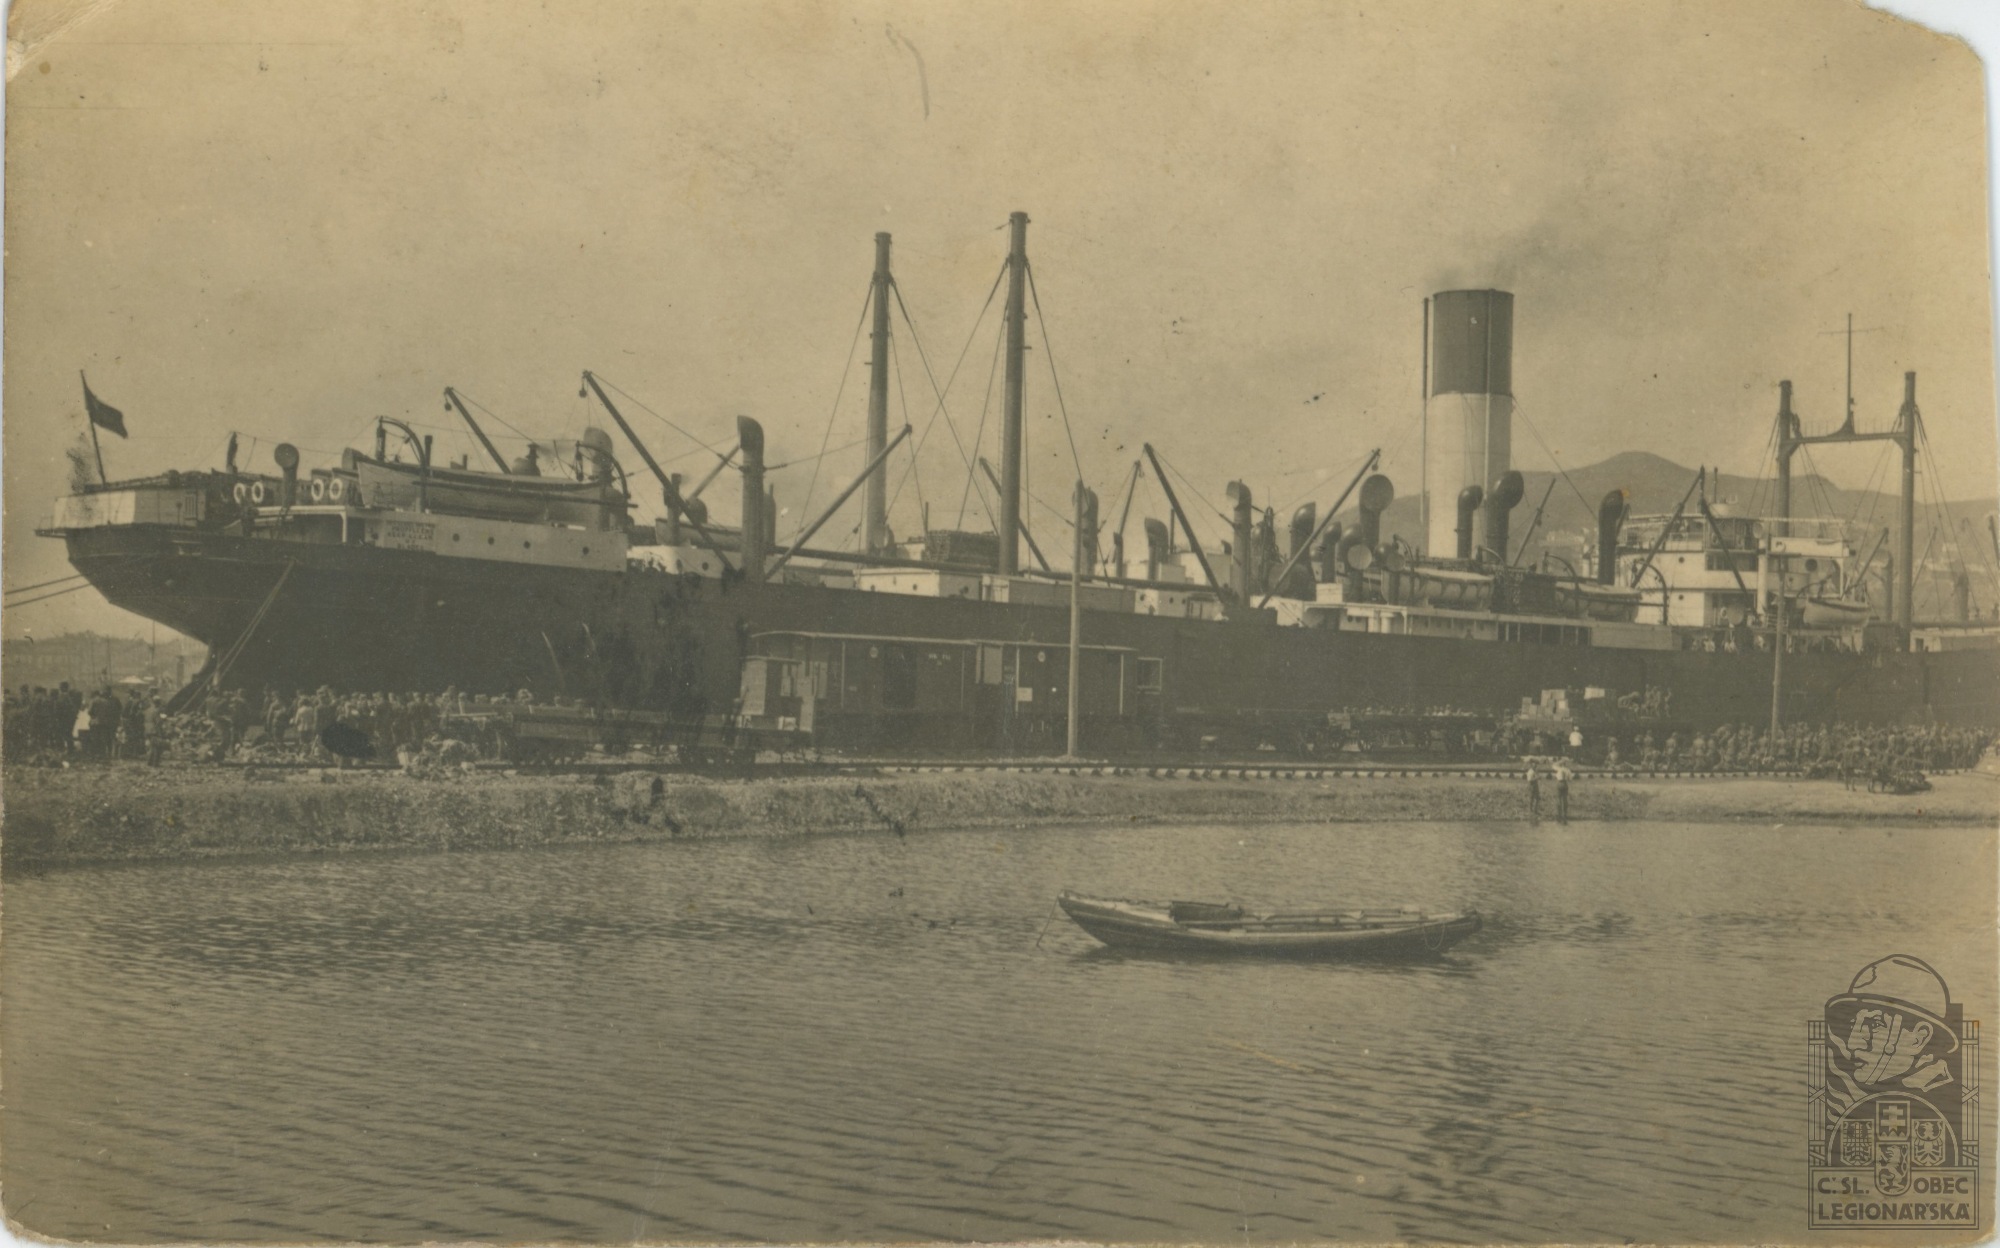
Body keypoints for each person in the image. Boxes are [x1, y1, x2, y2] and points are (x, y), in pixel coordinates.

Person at [1554, 758, 1573, 823]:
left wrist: (1560, 761)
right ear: (1566, 764)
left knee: (1559, 799)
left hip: (1559, 783)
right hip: (1565, 784)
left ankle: (1559, 814)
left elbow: (1553, 765)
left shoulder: (1559, 769)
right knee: (1565, 800)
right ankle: (1564, 814)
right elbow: (1570, 779)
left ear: (1562, 764)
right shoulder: (1568, 770)